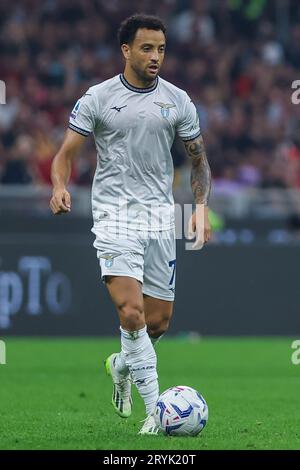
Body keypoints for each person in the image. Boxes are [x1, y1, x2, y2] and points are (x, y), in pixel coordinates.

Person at [50, 14, 211, 435]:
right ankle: (157, 415)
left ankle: (122, 366)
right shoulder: (98, 98)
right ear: (126, 50)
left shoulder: (178, 101)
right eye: (146, 48)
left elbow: (198, 160)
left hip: (160, 218)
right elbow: (65, 152)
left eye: (160, 49)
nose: (155, 56)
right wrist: (59, 186)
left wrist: (200, 206)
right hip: (114, 215)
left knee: (157, 323)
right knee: (131, 311)